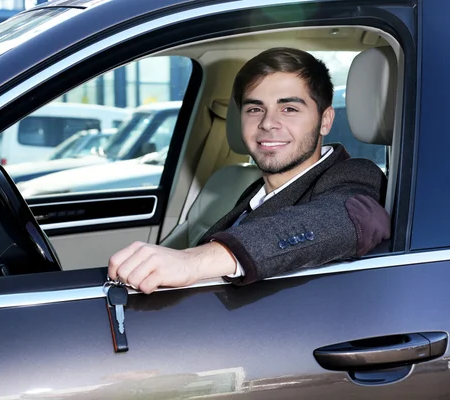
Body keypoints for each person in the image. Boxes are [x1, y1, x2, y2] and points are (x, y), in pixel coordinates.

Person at [108, 47, 390, 293]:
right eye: (255, 109)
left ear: (325, 120)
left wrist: (193, 261)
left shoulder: (354, 175)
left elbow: (347, 219)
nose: (268, 123)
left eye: (289, 109)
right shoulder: (250, 189)